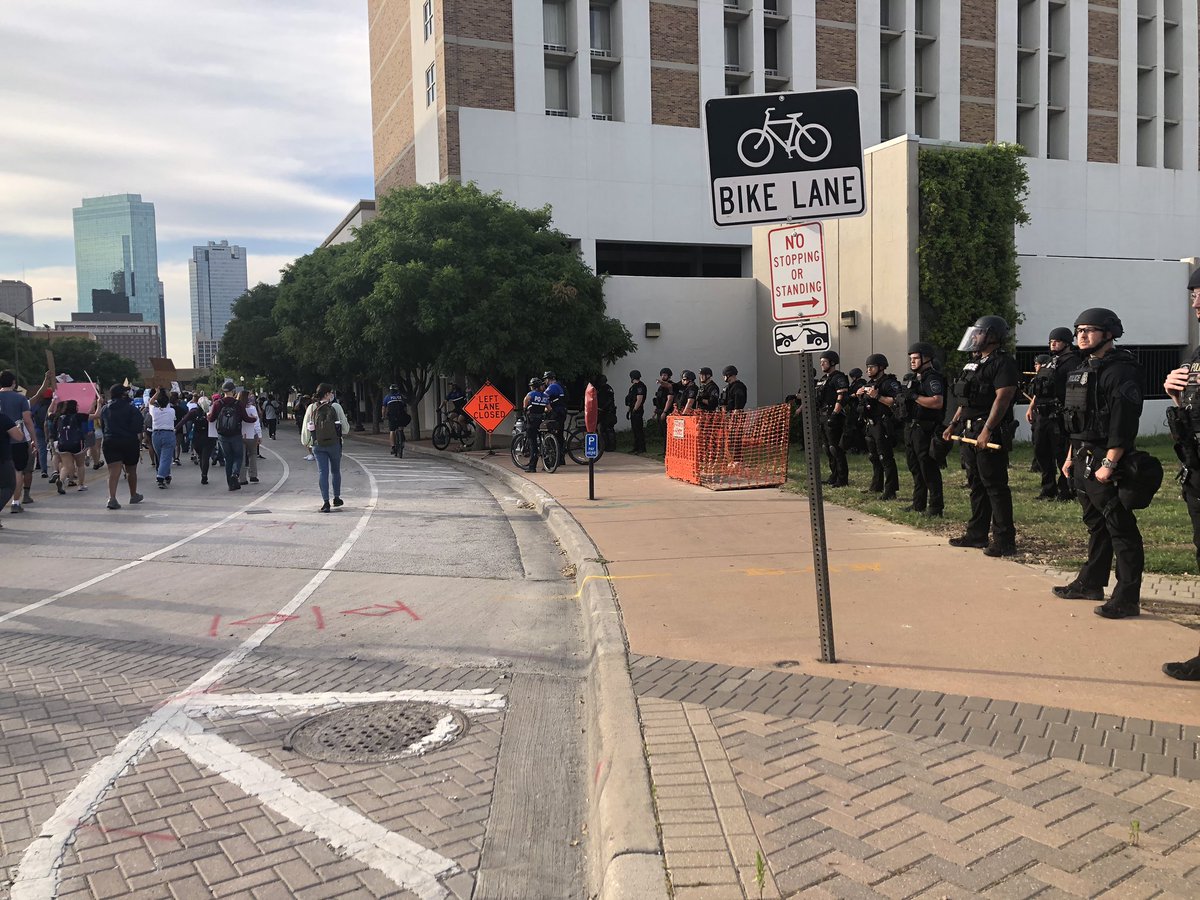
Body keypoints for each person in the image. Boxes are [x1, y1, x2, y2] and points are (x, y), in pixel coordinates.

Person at [1052, 308, 1145, 619]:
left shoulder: (1120, 370)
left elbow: (1123, 421)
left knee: (1120, 528)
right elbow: (1076, 420)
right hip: (1081, 456)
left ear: (1108, 334)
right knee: (1096, 525)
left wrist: (1110, 462)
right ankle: (1091, 582)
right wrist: (1068, 456)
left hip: (1106, 459)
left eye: (1089, 330)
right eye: (1078, 329)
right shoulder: (1082, 368)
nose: (1081, 335)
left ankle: (1127, 597)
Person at [943, 315, 1020, 557]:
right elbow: (964, 400)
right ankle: (976, 534)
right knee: (976, 484)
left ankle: (1004, 540)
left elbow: (1003, 397)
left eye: (980, 333)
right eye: (974, 333)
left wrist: (987, 429)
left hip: (988, 430)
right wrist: (953, 424)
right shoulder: (973, 363)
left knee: (995, 487)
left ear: (993, 336)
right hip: (968, 429)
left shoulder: (1003, 363)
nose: (975, 337)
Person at [1028, 327, 1080, 501]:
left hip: (1058, 415)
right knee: (1041, 452)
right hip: (1042, 414)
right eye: (1051, 341)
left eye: (1056, 341)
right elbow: (1040, 388)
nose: (1053, 344)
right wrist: (1031, 406)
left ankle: (1066, 490)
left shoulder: (1073, 362)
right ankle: (1048, 489)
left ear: (1066, 342)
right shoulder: (1051, 361)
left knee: (1060, 453)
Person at [901, 342, 946, 517]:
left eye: (915, 358)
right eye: (910, 358)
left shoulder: (932, 378)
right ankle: (918, 503)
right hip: (912, 428)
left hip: (926, 429)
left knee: (928, 469)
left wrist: (915, 396)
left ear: (926, 358)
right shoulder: (916, 378)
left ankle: (935, 507)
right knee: (915, 467)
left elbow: (937, 402)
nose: (912, 361)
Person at [301, 382, 351, 512]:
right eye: (331, 392)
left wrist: (307, 442)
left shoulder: (311, 408)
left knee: (323, 472)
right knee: (335, 471)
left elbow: (306, 429)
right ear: (327, 394)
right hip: (334, 444)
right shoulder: (336, 407)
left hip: (318, 445)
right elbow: (345, 429)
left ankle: (325, 502)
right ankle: (337, 497)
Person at [856, 353, 900, 500]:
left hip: (883, 424)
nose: (868, 370)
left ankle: (890, 491)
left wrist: (878, 396)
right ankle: (876, 486)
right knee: (873, 457)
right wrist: (859, 395)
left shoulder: (889, 383)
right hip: (870, 424)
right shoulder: (869, 384)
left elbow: (896, 401)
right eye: (867, 367)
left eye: (872, 367)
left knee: (885, 457)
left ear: (881, 367)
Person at [100, 383, 144, 510]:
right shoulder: (131, 409)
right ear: (123, 394)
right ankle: (133, 494)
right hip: (128, 441)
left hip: (110, 441)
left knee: (113, 471)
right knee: (131, 470)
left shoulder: (105, 409)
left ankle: (112, 497)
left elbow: (103, 426)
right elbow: (137, 427)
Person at [208, 379, 257, 491]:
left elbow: (211, 419)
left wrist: (208, 415)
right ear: (233, 390)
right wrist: (254, 419)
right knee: (238, 456)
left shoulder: (217, 403)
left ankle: (231, 484)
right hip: (236, 434)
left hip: (222, 436)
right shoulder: (238, 404)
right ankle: (235, 474)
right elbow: (246, 418)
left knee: (228, 458)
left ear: (223, 391)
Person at [0, 370, 38, 513]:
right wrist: (33, 439)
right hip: (17, 440)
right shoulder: (20, 399)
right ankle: (16, 502)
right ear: (14, 383)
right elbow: (27, 420)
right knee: (18, 471)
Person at [815, 351, 849, 487]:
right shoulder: (823, 379)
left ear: (832, 363)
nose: (822, 364)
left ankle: (842, 478)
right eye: (821, 361)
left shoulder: (838, 377)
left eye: (824, 361)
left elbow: (842, 396)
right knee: (827, 448)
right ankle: (833, 475)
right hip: (822, 415)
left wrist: (835, 414)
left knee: (835, 448)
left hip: (833, 415)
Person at [53, 398, 93, 494]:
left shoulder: (59, 417)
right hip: (76, 444)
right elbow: (96, 415)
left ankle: (61, 480)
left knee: (66, 466)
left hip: (63, 444)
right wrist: (98, 404)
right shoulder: (79, 416)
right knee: (80, 465)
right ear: (75, 407)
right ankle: (81, 485)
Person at [147, 388, 177, 489]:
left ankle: (167, 475)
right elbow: (166, 403)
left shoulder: (154, 411)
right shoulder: (171, 411)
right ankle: (160, 477)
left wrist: (157, 393)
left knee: (162, 457)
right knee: (166, 457)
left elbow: (150, 402)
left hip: (156, 435)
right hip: (168, 434)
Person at [522, 376, 550, 473]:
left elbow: (526, 399)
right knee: (543, 440)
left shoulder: (531, 394)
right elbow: (549, 409)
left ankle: (532, 466)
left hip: (532, 421)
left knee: (533, 442)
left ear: (533, 387)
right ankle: (548, 463)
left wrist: (525, 409)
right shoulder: (545, 396)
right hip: (541, 421)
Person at [543, 371, 568, 466]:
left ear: (548, 379)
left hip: (556, 413)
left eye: (545, 379)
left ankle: (554, 460)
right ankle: (561, 458)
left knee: (553, 434)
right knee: (559, 435)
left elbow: (543, 397)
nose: (545, 382)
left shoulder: (552, 386)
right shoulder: (559, 385)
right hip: (562, 412)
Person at [239, 389, 261, 484]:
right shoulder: (252, 408)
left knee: (241, 456)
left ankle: (242, 478)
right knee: (252, 455)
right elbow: (256, 423)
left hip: (240, 434)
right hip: (252, 434)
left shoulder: (238, 407)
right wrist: (259, 435)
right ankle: (253, 475)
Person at [382, 384, 410, 457]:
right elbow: (405, 408)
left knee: (392, 431)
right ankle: (402, 439)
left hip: (392, 417)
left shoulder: (387, 397)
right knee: (401, 427)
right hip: (401, 416)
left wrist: (383, 416)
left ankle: (393, 447)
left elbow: (383, 408)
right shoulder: (401, 396)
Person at [625, 370, 647, 453]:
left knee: (638, 429)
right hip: (633, 409)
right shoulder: (633, 387)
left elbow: (639, 399)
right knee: (634, 429)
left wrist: (635, 409)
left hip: (637, 410)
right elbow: (631, 400)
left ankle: (641, 448)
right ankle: (636, 447)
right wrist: (629, 411)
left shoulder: (640, 386)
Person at [596, 374, 618, 451]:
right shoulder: (602, 388)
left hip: (608, 411)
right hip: (604, 411)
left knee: (609, 429)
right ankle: (605, 446)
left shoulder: (606, 388)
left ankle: (611, 446)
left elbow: (609, 400)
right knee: (603, 429)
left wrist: (602, 408)